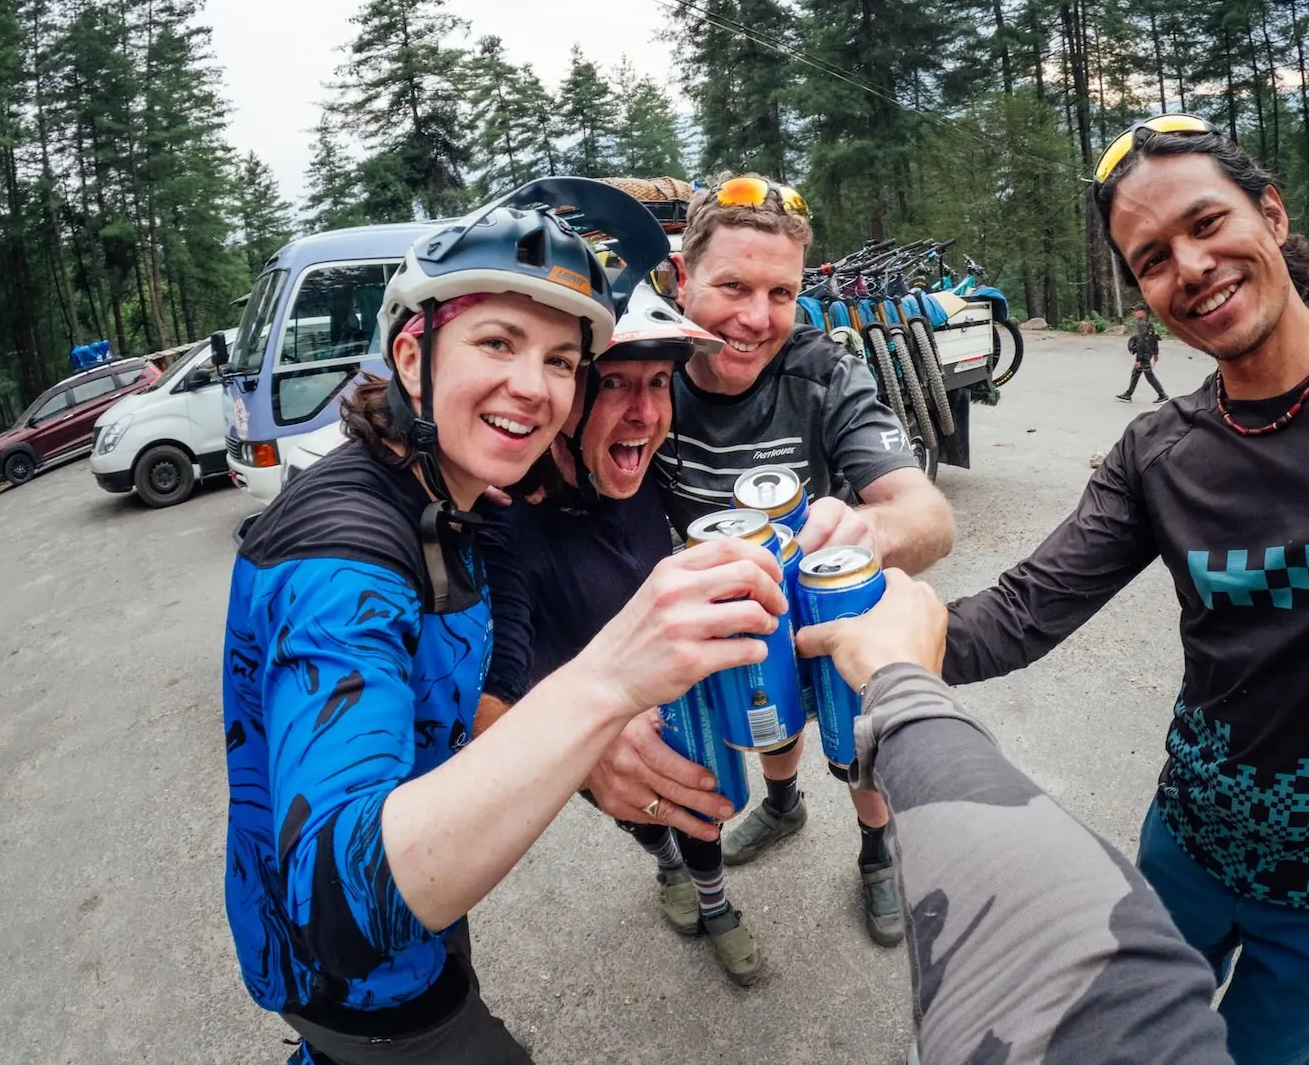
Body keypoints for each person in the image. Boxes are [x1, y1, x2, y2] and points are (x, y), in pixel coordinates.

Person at [938, 119, 1309, 1065]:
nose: (1190, 266)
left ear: (1271, 213)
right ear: (1142, 292)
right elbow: (1021, 613)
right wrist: (846, 632)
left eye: (1207, 221)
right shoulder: (1158, 452)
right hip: (1183, 851)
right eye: (1152, 258)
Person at [221, 182, 785, 1065]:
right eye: (497, 342)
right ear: (413, 357)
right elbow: (338, 904)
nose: (532, 385)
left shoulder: (456, 493)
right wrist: (603, 685)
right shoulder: (341, 555)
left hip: (410, 937)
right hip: (360, 985)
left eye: (560, 360)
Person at [650, 174, 956, 947]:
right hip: (727, 610)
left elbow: (929, 517)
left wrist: (864, 529)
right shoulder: (648, 374)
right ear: (684, 277)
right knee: (758, 709)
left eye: (780, 293)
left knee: (857, 725)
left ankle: (876, 850)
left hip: (820, 595)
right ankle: (783, 805)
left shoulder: (824, 370)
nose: (757, 318)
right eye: (733, 286)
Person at [796, 571, 1235, 1065]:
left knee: (1237, 1041)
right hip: (1186, 823)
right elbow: (1033, 602)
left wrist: (904, 689)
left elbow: (1113, 1015)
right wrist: (902, 644)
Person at [475, 286, 768, 986]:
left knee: (699, 802)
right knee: (641, 813)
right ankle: (667, 867)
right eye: (613, 384)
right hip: (577, 722)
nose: (645, 411)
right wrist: (581, 741)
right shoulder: (507, 515)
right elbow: (493, 684)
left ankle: (713, 899)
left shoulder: (651, 471)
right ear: (565, 396)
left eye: (659, 382)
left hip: (670, 697)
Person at [1118, 302, 1169, 402]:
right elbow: (1154, 339)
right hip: (1147, 352)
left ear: (1143, 313)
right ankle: (1128, 394)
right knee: (1136, 373)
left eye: (1136, 311)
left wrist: (1138, 359)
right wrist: (1155, 353)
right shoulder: (1147, 324)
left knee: (1149, 375)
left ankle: (1162, 395)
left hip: (1144, 353)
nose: (1134, 313)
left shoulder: (1141, 325)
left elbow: (1141, 342)